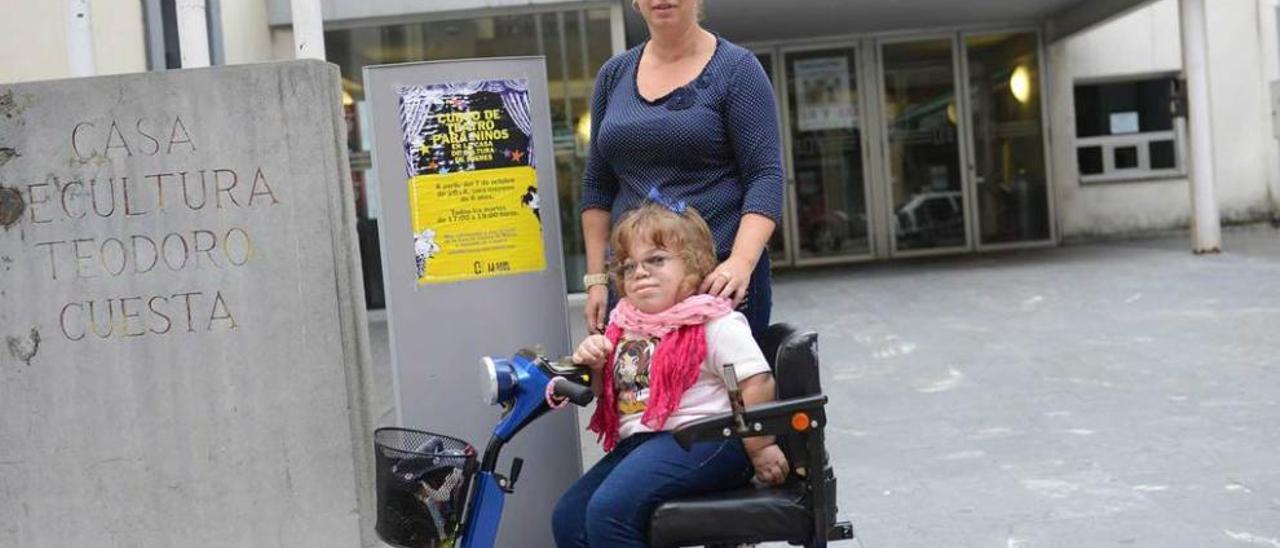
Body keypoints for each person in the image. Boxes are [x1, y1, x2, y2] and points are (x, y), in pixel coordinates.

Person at [552, 201, 789, 548]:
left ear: (694, 267)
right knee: (569, 517)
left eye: (656, 260)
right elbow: (610, 395)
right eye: (629, 266)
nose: (640, 272)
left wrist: (760, 447)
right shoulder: (624, 326)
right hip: (642, 443)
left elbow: (754, 381)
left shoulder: (714, 321)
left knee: (609, 512)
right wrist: (596, 364)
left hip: (707, 438)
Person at [580, 0, 784, 340]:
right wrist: (597, 280)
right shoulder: (613, 75)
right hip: (635, 282)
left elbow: (765, 176)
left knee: (724, 391)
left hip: (715, 281)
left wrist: (741, 262)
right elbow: (597, 186)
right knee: (638, 390)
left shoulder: (738, 69)